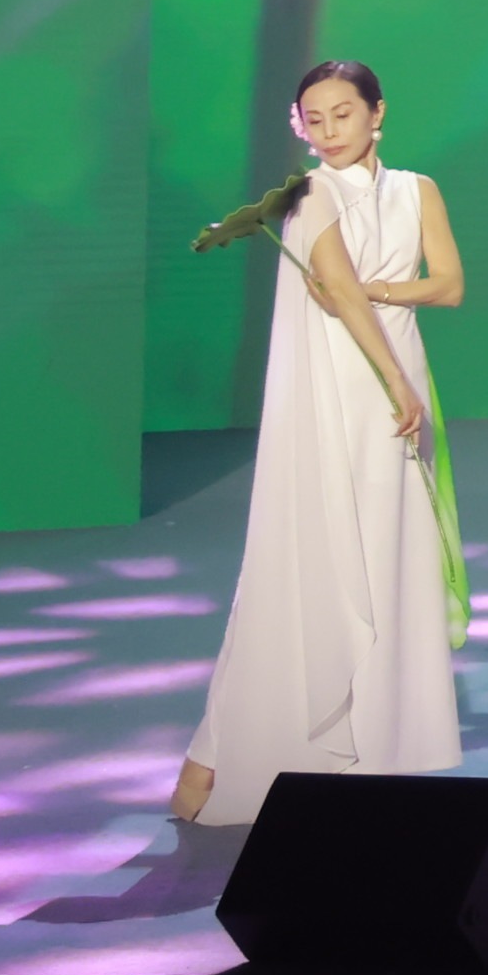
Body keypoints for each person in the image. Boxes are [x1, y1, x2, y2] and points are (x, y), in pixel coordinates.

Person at [173, 58, 466, 825]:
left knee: (392, 552)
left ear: (377, 112)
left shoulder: (418, 189)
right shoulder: (309, 196)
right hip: (345, 383)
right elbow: (338, 298)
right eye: (315, 119)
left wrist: (379, 294)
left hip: (399, 371)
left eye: (344, 113)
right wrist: (394, 379)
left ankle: (379, 749)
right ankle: (244, 755)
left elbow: (448, 284)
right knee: (327, 553)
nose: (330, 131)